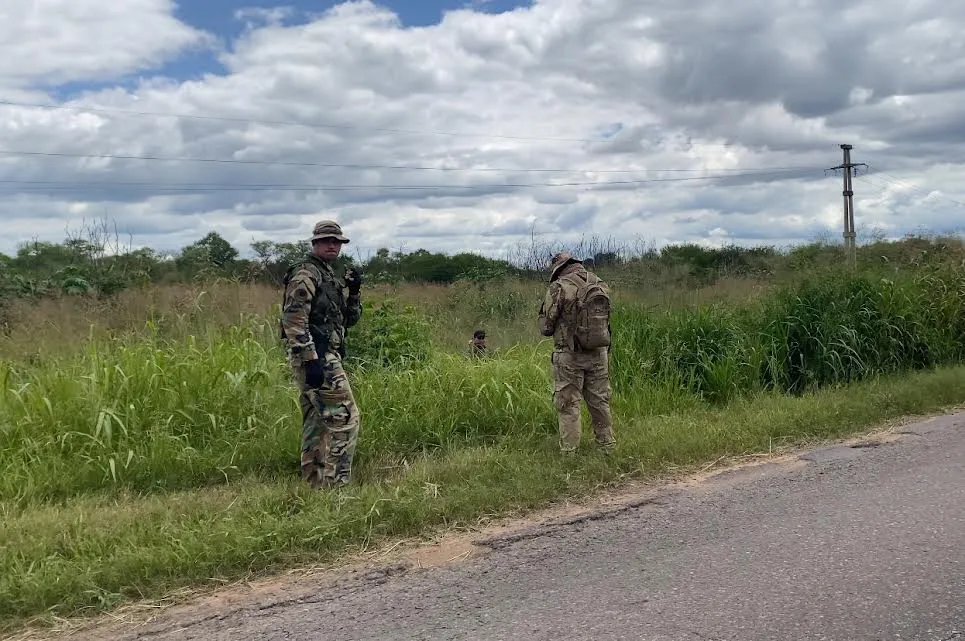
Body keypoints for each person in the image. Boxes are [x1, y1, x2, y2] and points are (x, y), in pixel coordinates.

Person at [279, 220, 363, 488]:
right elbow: (293, 319)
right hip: (318, 357)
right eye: (326, 240)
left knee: (317, 423)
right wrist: (310, 359)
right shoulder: (306, 273)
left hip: (324, 355)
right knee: (345, 418)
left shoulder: (327, 275)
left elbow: (347, 321)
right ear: (314, 243)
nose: (332, 245)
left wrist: (354, 293)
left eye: (336, 241)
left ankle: (315, 485)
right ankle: (337, 486)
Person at [538, 251, 616, 455]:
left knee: (568, 403)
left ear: (558, 268)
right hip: (599, 352)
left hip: (569, 355)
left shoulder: (559, 286)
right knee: (600, 401)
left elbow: (546, 327)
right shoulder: (599, 283)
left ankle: (570, 453)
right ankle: (607, 446)